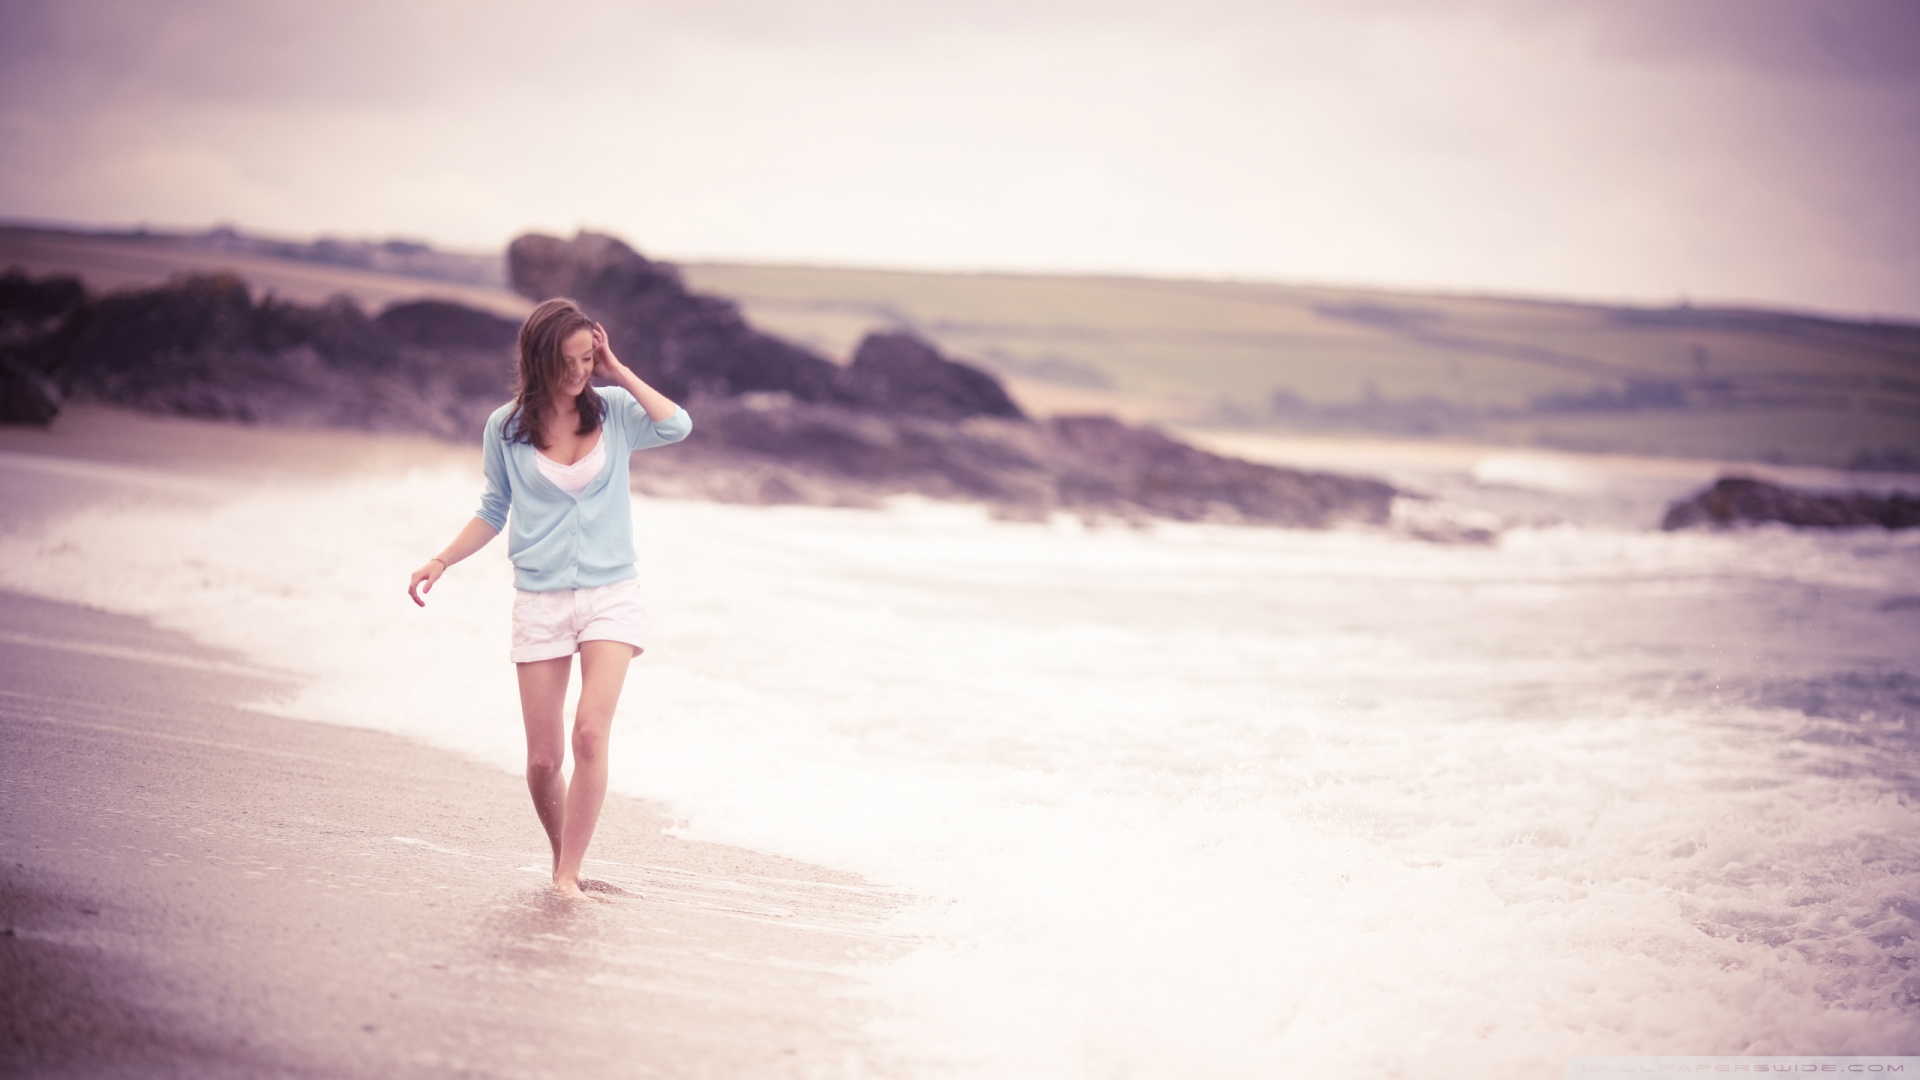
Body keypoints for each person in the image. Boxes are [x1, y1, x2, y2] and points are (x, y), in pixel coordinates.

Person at [407, 298, 690, 899]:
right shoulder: (505, 427)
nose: (580, 372)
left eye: (588, 358)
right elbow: (492, 510)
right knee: (542, 761)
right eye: (570, 362)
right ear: (539, 362)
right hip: (540, 598)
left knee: (589, 733)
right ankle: (566, 858)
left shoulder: (614, 410)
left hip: (612, 591)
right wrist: (441, 560)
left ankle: (566, 877)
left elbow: (676, 425)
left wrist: (618, 368)